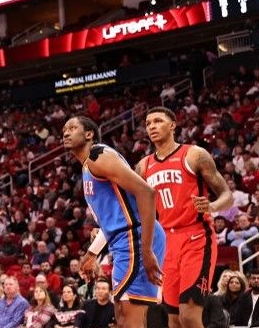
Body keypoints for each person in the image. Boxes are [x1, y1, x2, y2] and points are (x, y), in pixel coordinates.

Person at [63, 115, 165, 328]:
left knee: (130, 319)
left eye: (72, 127)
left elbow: (147, 193)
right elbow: (114, 220)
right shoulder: (87, 167)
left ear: (89, 134)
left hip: (135, 238)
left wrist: (146, 250)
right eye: (64, 129)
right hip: (123, 241)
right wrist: (92, 254)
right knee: (121, 315)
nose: (66, 132)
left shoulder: (99, 155)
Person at [138, 106, 233, 328]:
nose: (152, 126)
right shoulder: (143, 166)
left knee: (189, 315)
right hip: (166, 243)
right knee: (173, 319)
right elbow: (135, 208)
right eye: (148, 123)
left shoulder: (194, 154)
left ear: (172, 125)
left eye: (158, 121)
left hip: (197, 237)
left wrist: (211, 205)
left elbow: (227, 195)